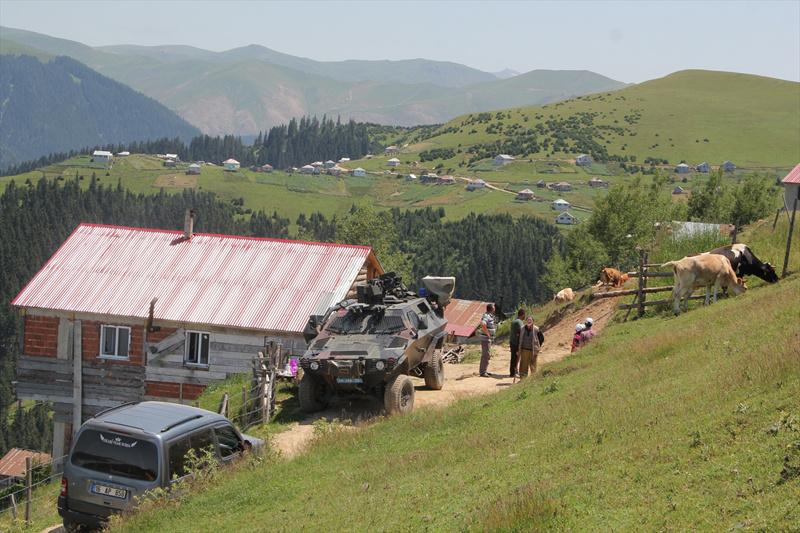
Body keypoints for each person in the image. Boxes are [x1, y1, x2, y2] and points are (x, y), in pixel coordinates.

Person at [478, 303, 495, 377]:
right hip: (485, 338)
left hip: (487, 339)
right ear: (492, 309)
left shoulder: (489, 316)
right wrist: (487, 334)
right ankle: (483, 372)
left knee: (485, 354)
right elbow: (483, 324)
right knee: (486, 355)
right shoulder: (487, 316)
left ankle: (484, 370)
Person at [508, 308, 526, 378]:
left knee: (513, 357)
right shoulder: (519, 322)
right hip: (516, 342)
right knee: (515, 358)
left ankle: (514, 371)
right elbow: (523, 329)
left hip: (512, 341)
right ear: (522, 315)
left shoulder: (514, 320)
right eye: (524, 315)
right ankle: (514, 372)